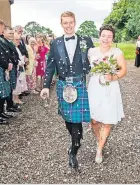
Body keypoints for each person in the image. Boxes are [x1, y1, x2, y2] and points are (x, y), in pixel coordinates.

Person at [40, 11, 94, 169]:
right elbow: (50, 66)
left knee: (76, 120)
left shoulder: (86, 40)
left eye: (71, 22)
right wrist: (45, 86)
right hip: (63, 85)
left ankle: (74, 150)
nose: (68, 25)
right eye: (65, 23)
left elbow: (95, 59)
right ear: (61, 24)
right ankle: (75, 137)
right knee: (68, 119)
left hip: (79, 84)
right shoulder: (55, 43)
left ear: (75, 22)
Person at [87, 25, 127, 163]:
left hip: (110, 87)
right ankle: (100, 139)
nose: (106, 39)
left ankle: (99, 149)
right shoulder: (91, 51)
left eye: (109, 36)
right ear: (99, 36)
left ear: (113, 38)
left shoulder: (117, 52)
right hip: (94, 87)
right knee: (94, 120)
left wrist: (113, 77)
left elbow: (123, 70)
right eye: (104, 35)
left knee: (108, 120)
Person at [1, 26, 22, 113]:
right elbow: (8, 56)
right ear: (4, 33)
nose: (12, 35)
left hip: (13, 67)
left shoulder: (10, 43)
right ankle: (7, 107)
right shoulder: (3, 42)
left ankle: (10, 105)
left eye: (12, 33)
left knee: (11, 87)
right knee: (7, 88)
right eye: (10, 33)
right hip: (8, 67)